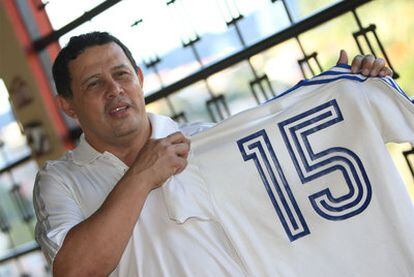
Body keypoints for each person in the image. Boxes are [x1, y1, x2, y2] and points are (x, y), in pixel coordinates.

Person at [33, 31, 393, 276]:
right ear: (68, 106)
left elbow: (306, 196)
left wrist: (351, 94)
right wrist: (142, 175)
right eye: (94, 84)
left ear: (140, 79)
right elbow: (74, 270)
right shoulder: (60, 180)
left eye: (121, 74)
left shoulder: (206, 142)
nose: (115, 90)